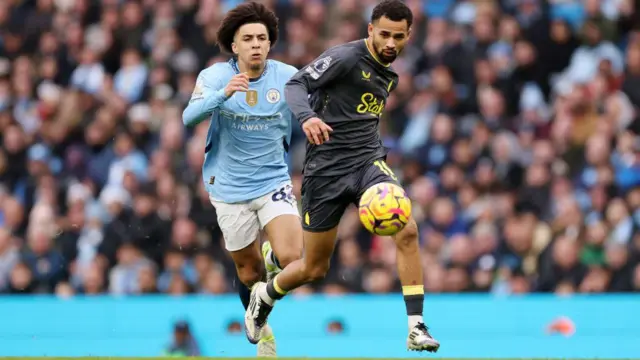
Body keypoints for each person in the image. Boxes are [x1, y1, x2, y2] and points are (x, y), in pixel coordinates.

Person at [243, 0, 440, 352]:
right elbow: (295, 85)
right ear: (370, 31)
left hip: (367, 161)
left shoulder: (389, 70)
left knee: (407, 227)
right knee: (313, 268)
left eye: (398, 36)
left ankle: (416, 326)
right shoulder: (347, 58)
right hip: (326, 171)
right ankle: (265, 296)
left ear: (409, 35)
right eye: (384, 35)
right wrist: (307, 118)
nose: (391, 43)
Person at [182, 1, 303, 356]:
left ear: (269, 44)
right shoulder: (216, 77)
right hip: (229, 188)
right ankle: (263, 331)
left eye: (261, 38)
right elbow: (189, 117)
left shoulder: (288, 76)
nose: (255, 44)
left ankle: (272, 258)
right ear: (234, 46)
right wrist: (224, 95)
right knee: (249, 273)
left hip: (272, 181)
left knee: (293, 256)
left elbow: (315, 102)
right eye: (247, 38)